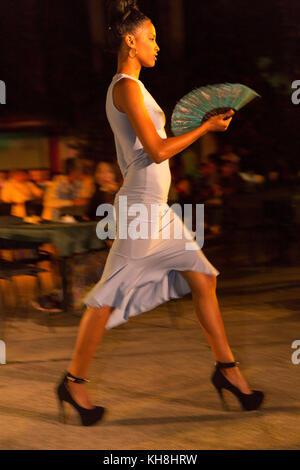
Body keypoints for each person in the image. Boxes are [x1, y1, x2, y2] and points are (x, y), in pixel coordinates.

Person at [56, 0, 264, 426]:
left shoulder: (136, 86)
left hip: (158, 209)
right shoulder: (127, 87)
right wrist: (204, 128)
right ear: (130, 42)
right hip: (139, 210)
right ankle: (73, 381)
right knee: (108, 298)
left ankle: (227, 372)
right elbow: (155, 151)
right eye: (150, 38)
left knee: (204, 279)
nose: (157, 45)